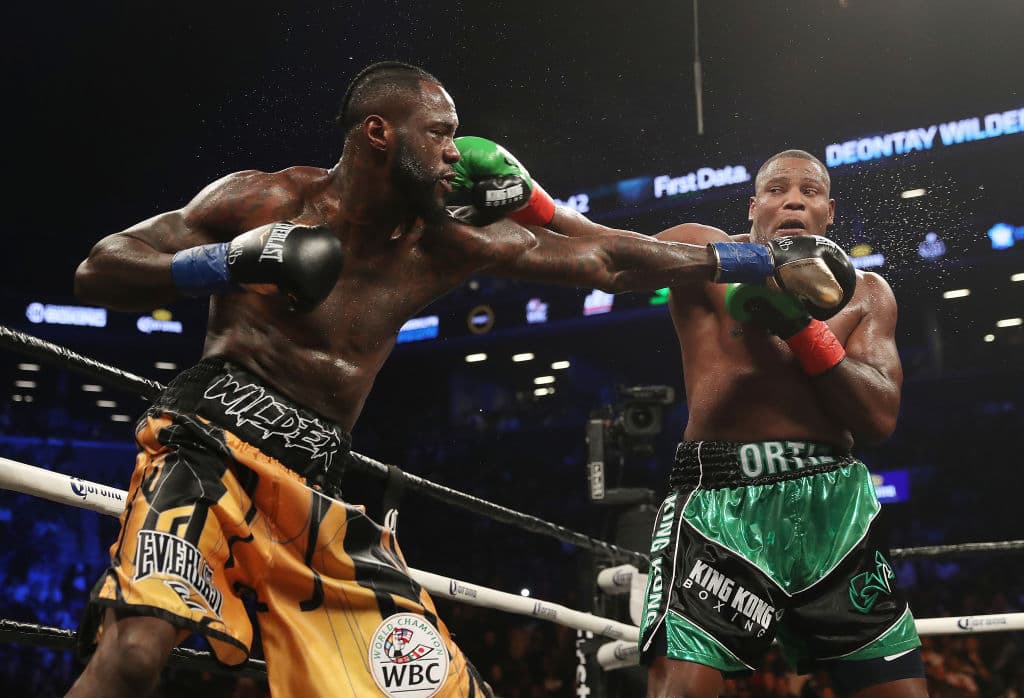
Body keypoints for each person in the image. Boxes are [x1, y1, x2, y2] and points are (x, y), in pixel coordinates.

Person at [65, 62, 843, 698]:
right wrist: (229, 260)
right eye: (438, 133)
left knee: (440, 690)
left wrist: (754, 258)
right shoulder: (267, 199)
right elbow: (98, 268)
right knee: (137, 655)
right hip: (205, 446)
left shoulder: (447, 239)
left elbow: (606, 257)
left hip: (314, 491)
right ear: (379, 132)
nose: (454, 151)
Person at [459, 143, 923, 696]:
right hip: (719, 504)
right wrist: (530, 202)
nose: (792, 200)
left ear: (830, 212)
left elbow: (878, 417)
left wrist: (803, 330)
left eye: (809, 191)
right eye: (776, 190)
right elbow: (604, 252)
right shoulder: (703, 254)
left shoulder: (867, 293)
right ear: (753, 208)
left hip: (834, 511)